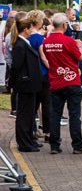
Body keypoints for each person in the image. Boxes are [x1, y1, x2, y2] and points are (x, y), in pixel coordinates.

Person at [43, 13, 82, 155]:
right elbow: (81, 58)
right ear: (64, 25)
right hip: (71, 81)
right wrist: (79, 47)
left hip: (55, 81)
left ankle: (54, 145)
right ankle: (77, 144)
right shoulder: (68, 41)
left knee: (55, 114)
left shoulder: (46, 42)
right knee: (74, 114)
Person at [8, 16, 42, 152]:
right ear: (26, 29)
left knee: (28, 115)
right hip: (25, 83)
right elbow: (17, 66)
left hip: (29, 83)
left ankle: (28, 140)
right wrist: (12, 81)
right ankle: (24, 143)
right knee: (24, 115)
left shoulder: (24, 43)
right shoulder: (20, 45)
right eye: (30, 29)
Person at [27, 10, 51, 144]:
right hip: (43, 74)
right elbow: (44, 58)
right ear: (39, 21)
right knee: (46, 103)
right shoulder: (40, 39)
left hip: (31, 74)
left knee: (33, 105)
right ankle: (48, 132)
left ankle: (31, 130)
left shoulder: (27, 37)